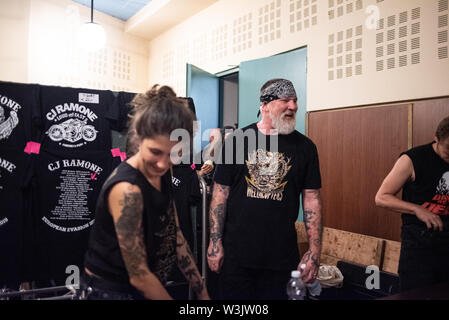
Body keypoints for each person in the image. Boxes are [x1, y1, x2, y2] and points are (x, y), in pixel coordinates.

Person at [82, 85, 210, 300]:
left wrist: (203, 293)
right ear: (138, 138)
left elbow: (175, 234)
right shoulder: (127, 189)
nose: (162, 164)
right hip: (110, 293)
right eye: (155, 152)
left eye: (173, 154)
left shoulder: (163, 171)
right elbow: (139, 276)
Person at [207, 78, 323, 300]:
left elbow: (312, 199)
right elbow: (220, 194)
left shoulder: (306, 148)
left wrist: (314, 251)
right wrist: (214, 241)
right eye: (286, 100)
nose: (294, 106)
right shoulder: (237, 141)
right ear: (265, 104)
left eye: (295, 100)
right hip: (237, 257)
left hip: (281, 258)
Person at [375, 116, 449, 292]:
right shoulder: (412, 159)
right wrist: (417, 209)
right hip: (419, 247)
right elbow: (381, 197)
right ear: (436, 138)